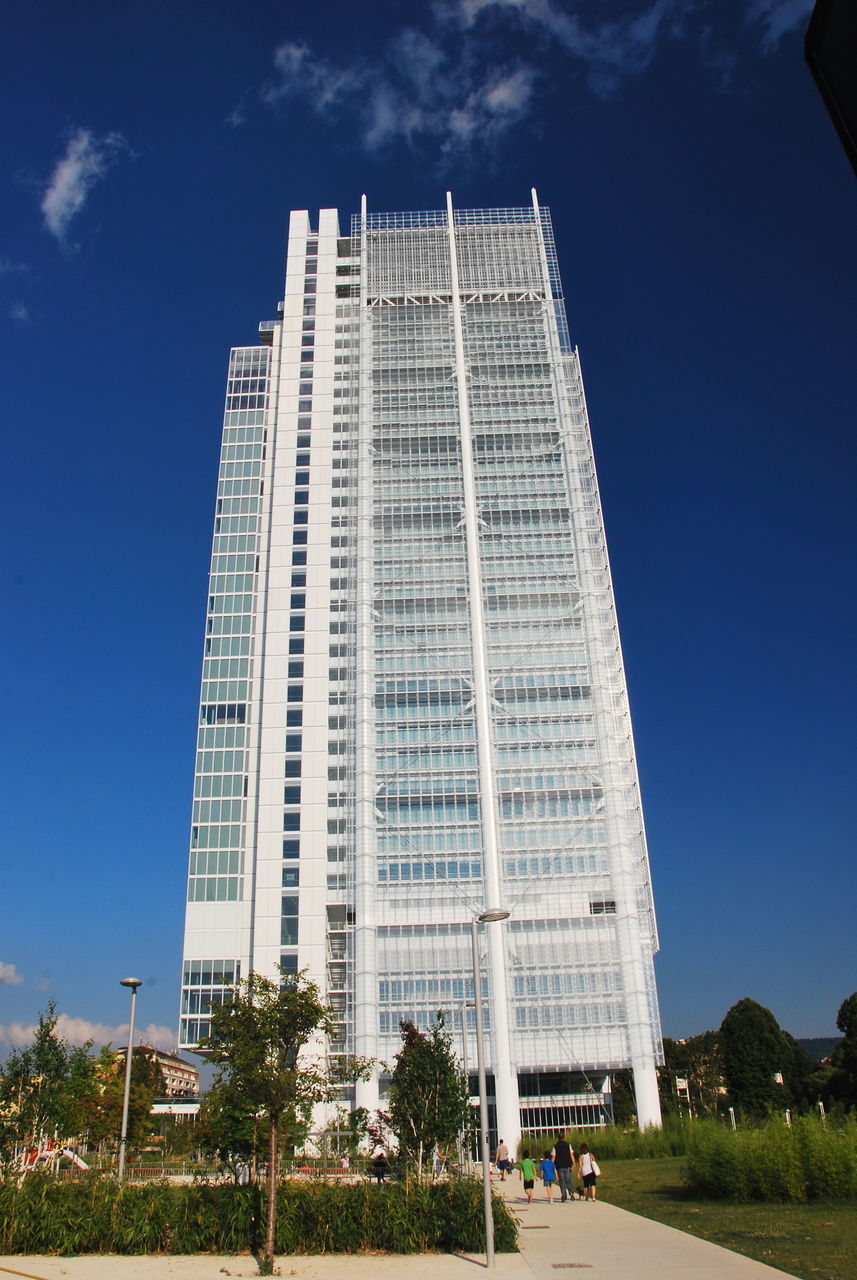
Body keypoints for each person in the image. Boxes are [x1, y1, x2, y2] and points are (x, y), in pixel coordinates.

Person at [552, 1131, 576, 1203]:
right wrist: (574, 1163)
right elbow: (571, 1154)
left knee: (562, 1181)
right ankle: (571, 1192)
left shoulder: (555, 1146)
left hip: (559, 1166)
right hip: (567, 1164)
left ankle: (564, 1196)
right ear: (564, 1137)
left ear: (558, 1138)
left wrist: (551, 1166)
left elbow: (553, 1157)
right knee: (568, 1179)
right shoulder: (568, 1145)